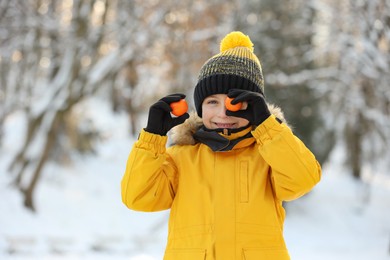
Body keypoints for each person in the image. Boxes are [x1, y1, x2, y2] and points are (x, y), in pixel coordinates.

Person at [121, 31, 321, 260]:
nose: (223, 113)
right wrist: (152, 136)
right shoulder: (181, 156)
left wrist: (267, 127)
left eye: (234, 102)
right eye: (212, 102)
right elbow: (137, 197)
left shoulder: (269, 152)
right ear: (201, 106)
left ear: (254, 105)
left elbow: (303, 179)